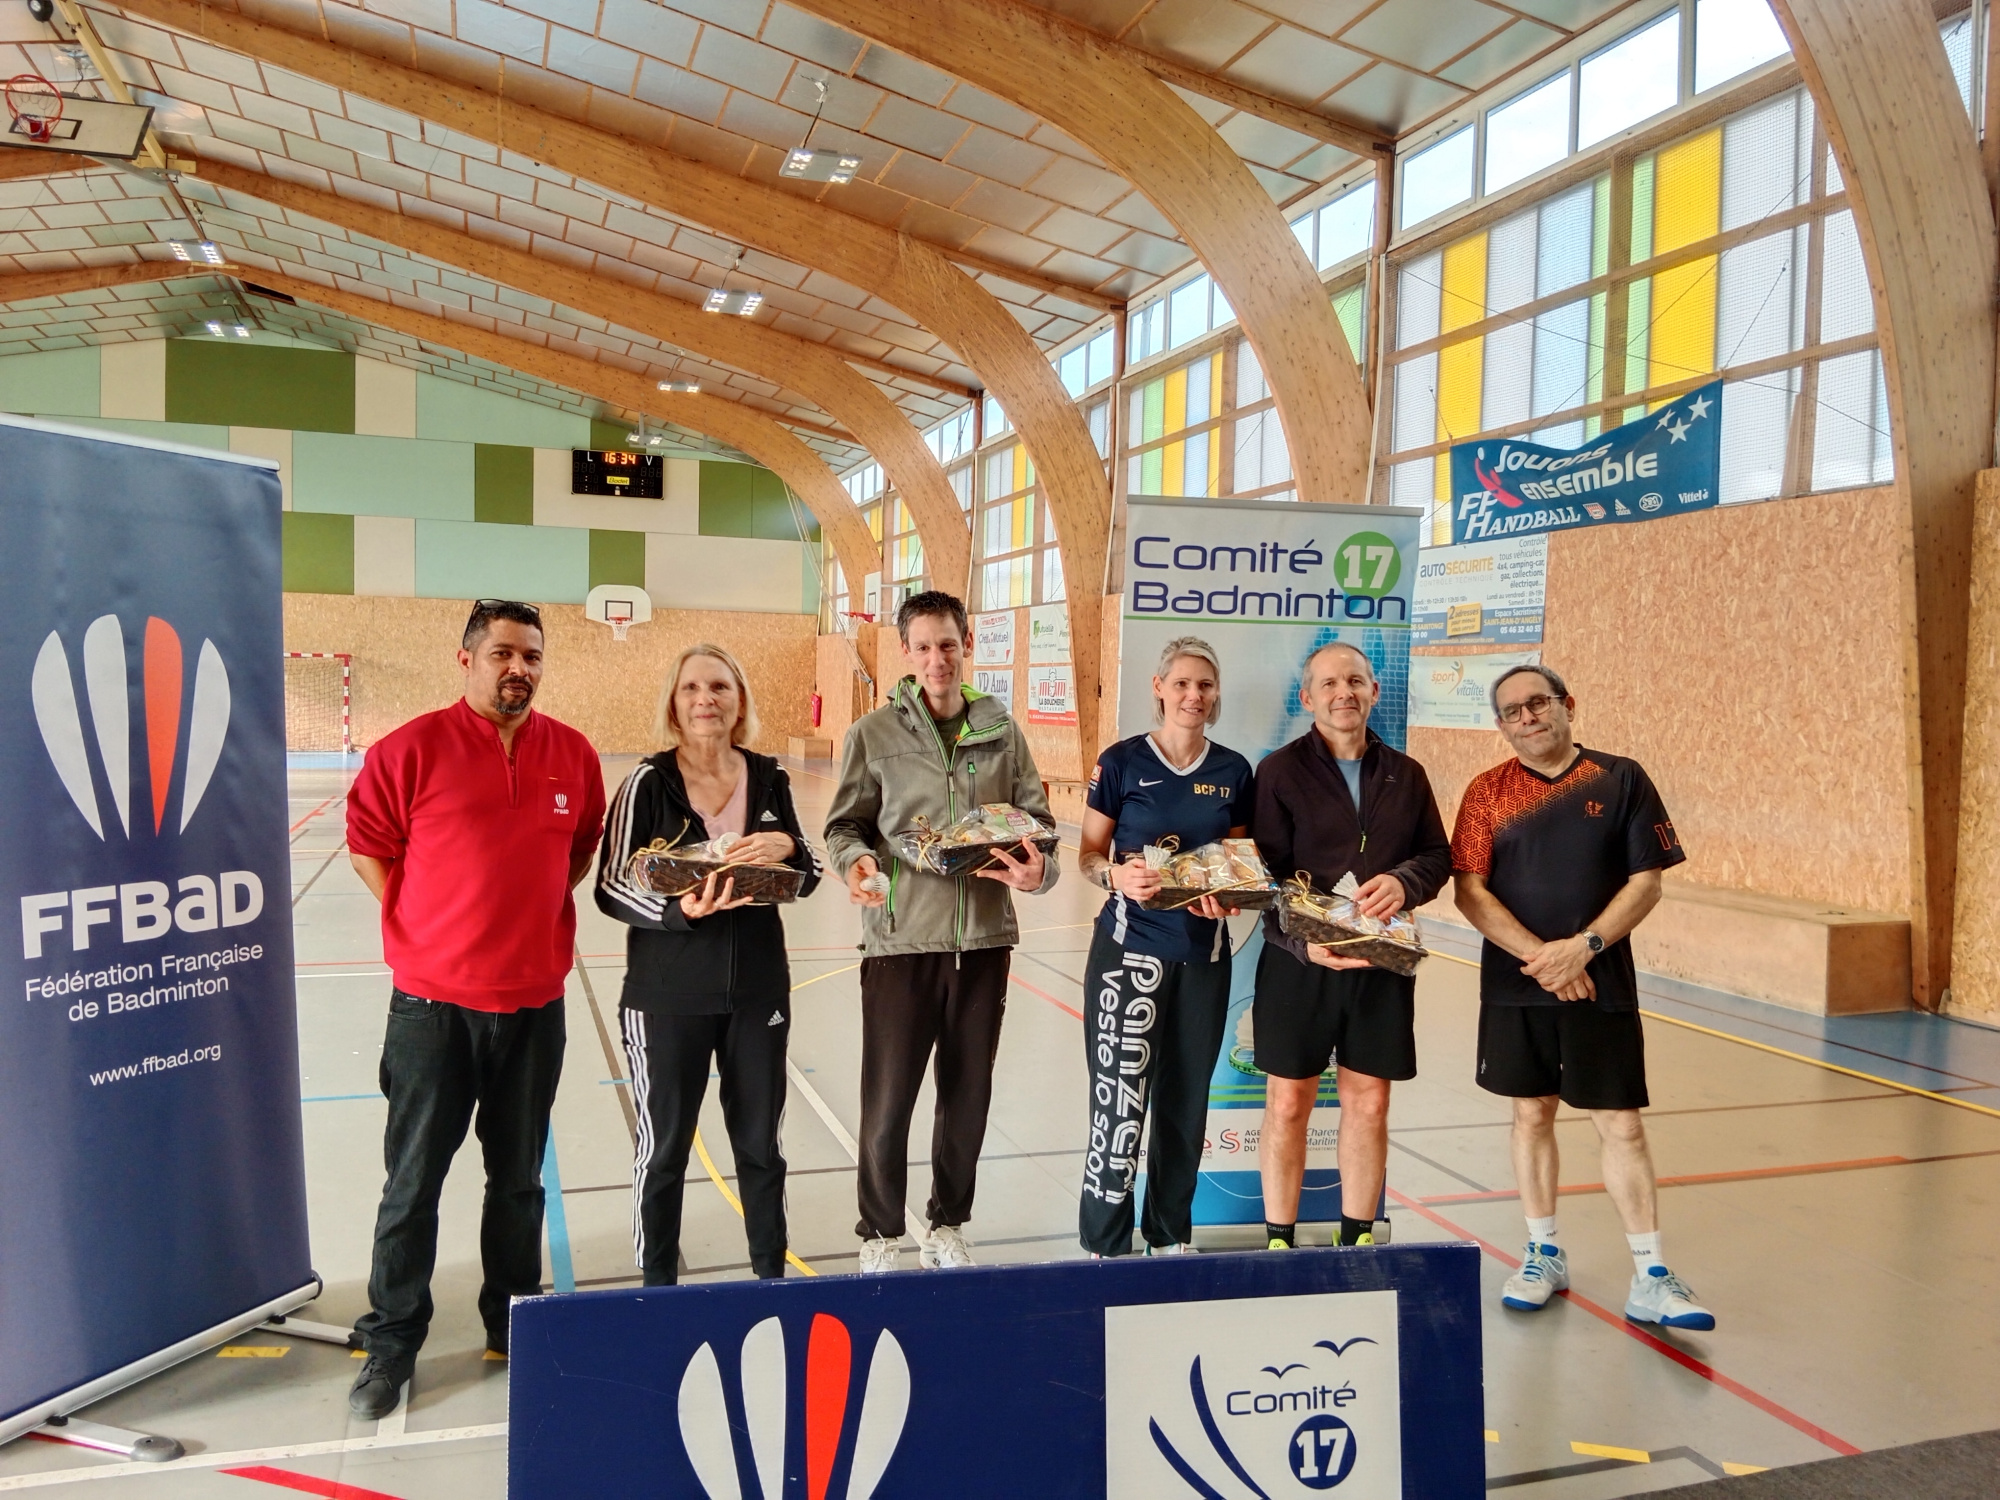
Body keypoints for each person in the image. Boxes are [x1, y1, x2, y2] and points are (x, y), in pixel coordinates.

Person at [343, 599, 605, 1418]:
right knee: (413, 1183)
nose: (518, 668)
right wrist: (423, 928)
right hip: (432, 1011)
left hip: (533, 1006)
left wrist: (523, 919)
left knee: (518, 1182)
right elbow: (368, 846)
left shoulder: (573, 754)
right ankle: (392, 1342)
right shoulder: (409, 750)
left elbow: (579, 851)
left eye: (532, 656)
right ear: (467, 660)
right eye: (502, 653)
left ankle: (512, 1322)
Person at [1450, 663, 1713, 1330]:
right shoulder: (1486, 792)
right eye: (1513, 711)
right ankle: (1543, 1254)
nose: (1528, 717)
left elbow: (1646, 882)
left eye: (1538, 703)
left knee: (1620, 1123)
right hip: (1517, 984)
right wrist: (1546, 960)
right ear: (1501, 725)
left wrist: (1584, 947)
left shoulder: (1620, 778)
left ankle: (1651, 1275)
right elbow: (1470, 892)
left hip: (1601, 980)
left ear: (1567, 704)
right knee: (1530, 1114)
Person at [824, 589, 1057, 1273]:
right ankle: (879, 1232)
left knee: (967, 1098)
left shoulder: (1001, 731)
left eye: (948, 645)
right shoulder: (872, 735)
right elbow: (844, 827)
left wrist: (1037, 872)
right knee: (888, 1099)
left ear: (967, 645)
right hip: (901, 942)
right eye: (923, 647)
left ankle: (948, 1224)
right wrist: (855, 862)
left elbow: (1038, 825)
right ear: (906, 651)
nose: (937, 659)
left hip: (983, 944)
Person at [595, 644, 821, 1286]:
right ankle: (657, 1287)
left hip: (757, 993)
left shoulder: (770, 777)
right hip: (666, 997)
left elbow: (808, 876)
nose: (706, 700)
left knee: (761, 1147)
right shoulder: (647, 782)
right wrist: (678, 913)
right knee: (663, 1150)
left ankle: (769, 1279)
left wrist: (786, 845)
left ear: (739, 699)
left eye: (720, 687)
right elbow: (611, 886)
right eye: (691, 688)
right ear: (674, 701)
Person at [1250, 641, 1451, 1251]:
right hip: (1298, 967)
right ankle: (1279, 1240)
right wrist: (1300, 943)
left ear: (1374, 691)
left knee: (1369, 1104)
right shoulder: (1279, 772)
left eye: (1356, 681)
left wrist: (1405, 881)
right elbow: (1265, 878)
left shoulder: (1407, 775)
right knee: (1289, 1103)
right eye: (1330, 684)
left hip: (1379, 964)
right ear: (1308, 698)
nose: (1345, 693)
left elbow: (1437, 857)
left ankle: (1358, 1239)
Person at [1076, 637, 1251, 1257]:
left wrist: (1228, 897)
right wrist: (1115, 876)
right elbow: (1088, 856)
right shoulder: (1121, 763)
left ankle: (1169, 1236)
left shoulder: (1233, 771)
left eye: (1204, 685)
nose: (1193, 696)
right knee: (1119, 1107)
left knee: (1185, 1107)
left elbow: (1238, 868)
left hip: (1203, 961)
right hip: (1128, 957)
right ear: (1158, 687)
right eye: (1181, 683)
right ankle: (1105, 1245)